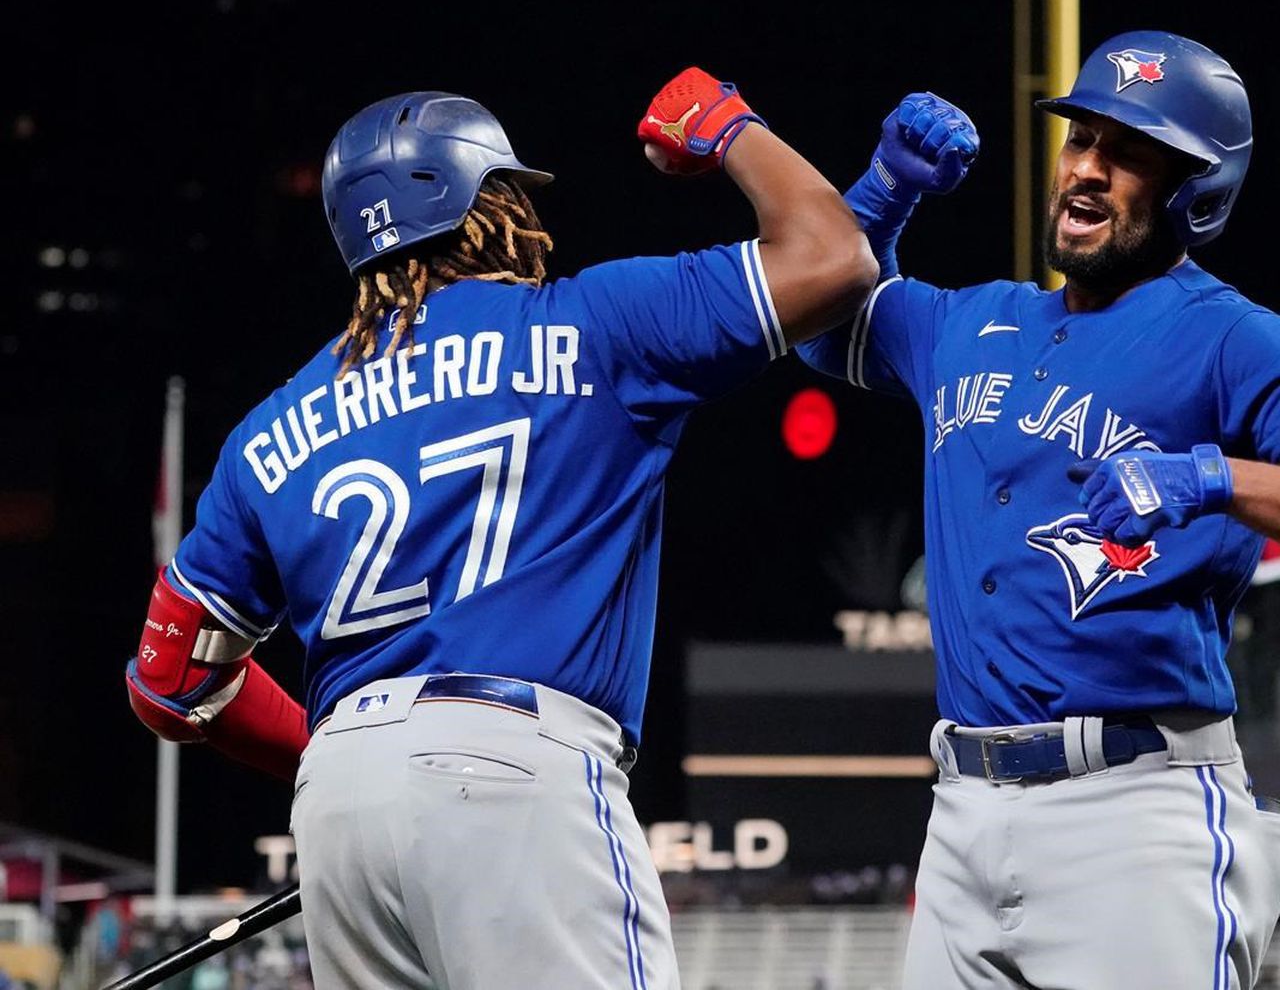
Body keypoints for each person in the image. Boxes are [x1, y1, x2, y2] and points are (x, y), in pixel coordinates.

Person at [124, 68, 877, 988]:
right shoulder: (596, 324)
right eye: (511, 190)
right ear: (481, 202)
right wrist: (727, 125)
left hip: (340, 804)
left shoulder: (268, 432)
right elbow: (834, 257)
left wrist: (345, 761)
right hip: (515, 768)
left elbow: (168, 685)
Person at [799, 31, 1280, 988]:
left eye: (1130, 153)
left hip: (1136, 812)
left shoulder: (1232, 336)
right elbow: (819, 329)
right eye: (1081, 140)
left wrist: (1210, 478)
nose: (1088, 172)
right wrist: (885, 191)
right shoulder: (969, 319)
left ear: (1199, 191)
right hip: (962, 813)